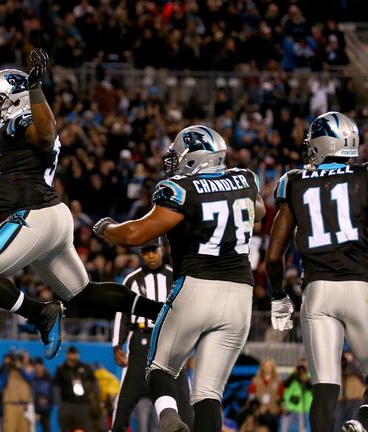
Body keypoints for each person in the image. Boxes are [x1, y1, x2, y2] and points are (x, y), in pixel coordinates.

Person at [0, 50, 163, 359]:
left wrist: (36, 90)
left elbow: (46, 132)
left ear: (18, 100)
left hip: (32, 215)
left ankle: (40, 313)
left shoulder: (22, 122)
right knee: (83, 292)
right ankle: (162, 311)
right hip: (46, 217)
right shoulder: (5, 130)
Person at [95, 125, 265, 431]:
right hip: (241, 296)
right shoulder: (246, 179)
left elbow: (134, 234)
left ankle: (169, 417)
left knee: (159, 367)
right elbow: (260, 211)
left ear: (193, 158)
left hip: (197, 286)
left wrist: (106, 227)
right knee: (208, 393)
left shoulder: (181, 190)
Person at [265, 111, 368, 432]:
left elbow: (274, 255)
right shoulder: (367, 175)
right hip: (362, 290)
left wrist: (279, 296)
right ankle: (362, 422)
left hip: (316, 293)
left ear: (322, 143)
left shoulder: (292, 181)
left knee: (324, 386)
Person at [111, 237, 193, 432]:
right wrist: (117, 345)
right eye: (146, 252)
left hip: (171, 339)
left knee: (183, 395)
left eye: (153, 251)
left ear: (162, 250)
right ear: (141, 254)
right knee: (126, 397)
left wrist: (190, 345)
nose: (151, 256)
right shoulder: (131, 280)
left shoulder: (176, 277)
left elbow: (188, 312)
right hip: (140, 339)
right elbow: (121, 314)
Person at [54, 346, 97, 432]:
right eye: (71, 354)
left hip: (83, 405)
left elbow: (94, 383)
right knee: (66, 429)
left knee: (84, 429)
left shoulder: (85, 367)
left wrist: (95, 398)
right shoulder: (61, 369)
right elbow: (56, 387)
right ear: (67, 355)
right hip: (67, 405)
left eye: (75, 354)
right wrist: (59, 404)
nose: (74, 356)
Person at [0, 352, 33, 432]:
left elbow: (30, 379)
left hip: (24, 406)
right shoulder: (8, 372)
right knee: (9, 429)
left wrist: (20, 368)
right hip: (11, 405)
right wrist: (7, 366)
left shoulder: (29, 369)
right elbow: (3, 383)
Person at [245, 358, 283, 431]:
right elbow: (251, 397)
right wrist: (257, 408)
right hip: (259, 413)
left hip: (274, 413)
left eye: (269, 366)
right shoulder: (255, 380)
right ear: (262, 367)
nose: (267, 368)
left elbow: (281, 396)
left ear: (273, 367)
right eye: (266, 366)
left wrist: (281, 408)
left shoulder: (278, 380)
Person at [280, 361, 313, 432]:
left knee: (302, 430)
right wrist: (294, 375)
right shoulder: (291, 375)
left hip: (302, 409)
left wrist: (306, 380)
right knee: (283, 429)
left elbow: (311, 388)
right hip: (288, 408)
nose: (301, 371)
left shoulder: (309, 376)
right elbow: (284, 385)